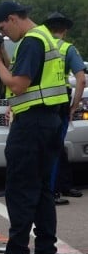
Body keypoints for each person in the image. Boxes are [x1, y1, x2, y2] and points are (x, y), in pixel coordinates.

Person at [0, 0, 68, 254]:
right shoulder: (44, 37)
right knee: (42, 191)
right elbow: (23, 77)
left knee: (20, 192)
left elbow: (18, 85)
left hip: (31, 126)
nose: (3, 34)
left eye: (2, 28)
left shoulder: (31, 41)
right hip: (50, 122)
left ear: (12, 18)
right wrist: (4, 57)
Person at [43, 12, 85, 206]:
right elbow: (81, 79)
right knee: (55, 146)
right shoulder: (68, 49)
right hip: (60, 102)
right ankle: (52, 192)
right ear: (65, 30)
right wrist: (74, 105)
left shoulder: (38, 45)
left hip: (38, 103)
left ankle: (59, 185)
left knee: (49, 147)